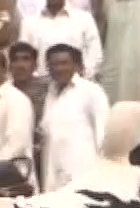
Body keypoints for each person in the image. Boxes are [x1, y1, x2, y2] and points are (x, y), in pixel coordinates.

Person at [38, 42, 108, 192]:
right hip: (54, 178)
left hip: (84, 177)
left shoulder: (91, 91)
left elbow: (103, 135)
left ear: (77, 65)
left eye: (64, 63)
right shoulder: (50, 94)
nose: (59, 68)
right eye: (54, 64)